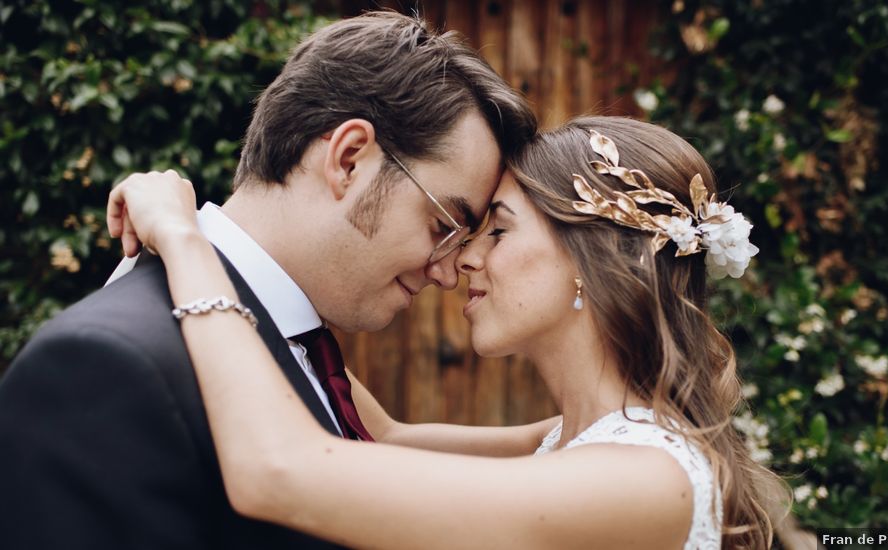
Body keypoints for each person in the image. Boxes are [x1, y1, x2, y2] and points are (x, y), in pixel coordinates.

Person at [106, 116, 786, 549]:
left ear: (594, 260)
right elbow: (383, 434)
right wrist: (249, 253)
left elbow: (278, 472)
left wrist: (184, 238)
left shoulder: (645, 478)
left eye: (498, 229)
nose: (463, 259)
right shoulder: (570, 440)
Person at [0, 12, 539, 549]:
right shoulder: (105, 365)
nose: (448, 273)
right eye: (443, 225)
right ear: (348, 160)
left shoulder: (301, 350)